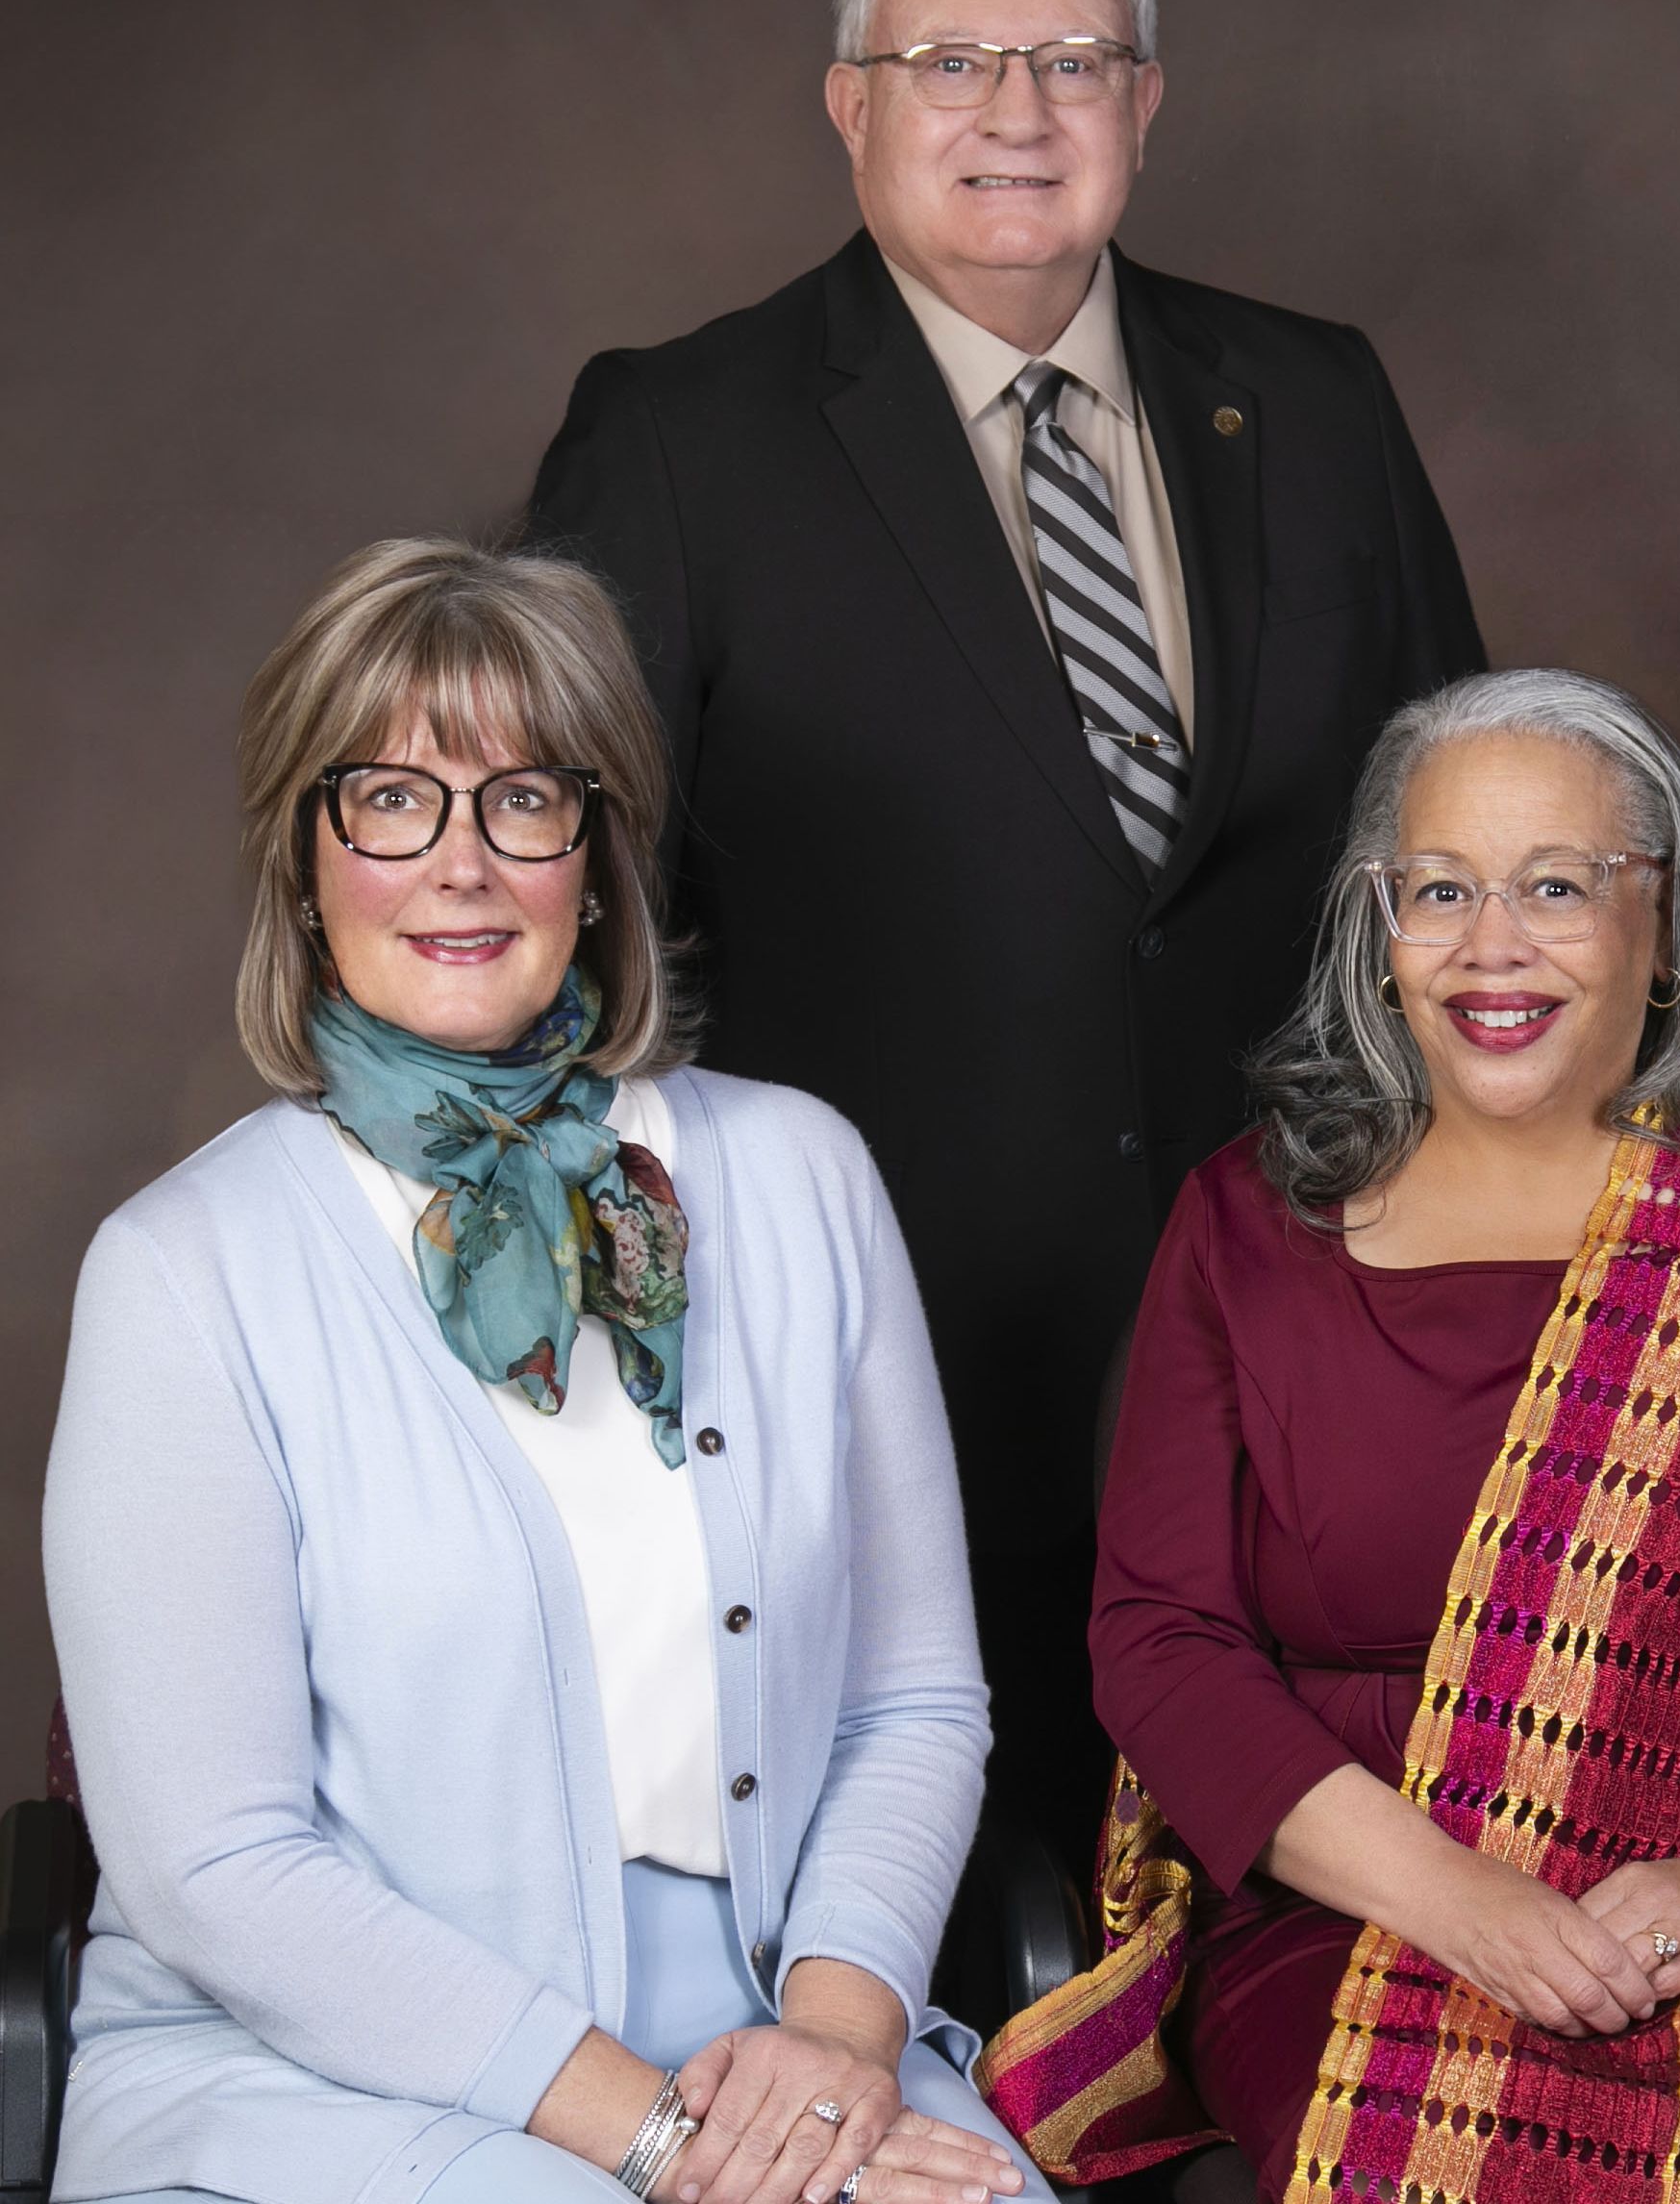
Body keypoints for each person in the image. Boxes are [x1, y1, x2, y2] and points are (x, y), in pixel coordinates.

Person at [524, 0, 1486, 1890]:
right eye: (952, 58)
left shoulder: (1312, 394)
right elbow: (573, 922)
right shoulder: (682, 437)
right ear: (849, 103)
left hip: (1318, 1345)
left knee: (1310, 1931)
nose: (1017, 111)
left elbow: (1464, 827)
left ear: (1148, 102)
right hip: (891, 1359)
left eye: (1071, 58)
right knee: (965, 1942)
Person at [975, 671, 1680, 2200]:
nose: (1490, 945)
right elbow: (1162, 1647)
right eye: (1439, 889)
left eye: (1557, 888)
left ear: (1663, 929)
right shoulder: (1249, 1222)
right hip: (1359, 1913)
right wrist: (1468, 1905)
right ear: (1380, 934)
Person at [41, 538, 1036, 2204]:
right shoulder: (180, 1275)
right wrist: (660, 2145)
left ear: (598, 853)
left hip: (774, 2035)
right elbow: (215, 1866)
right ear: (305, 861)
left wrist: (840, 2056)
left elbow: (913, 1700)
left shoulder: (800, 1179)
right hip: (308, 2076)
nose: (463, 867)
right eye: (390, 801)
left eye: (523, 801)